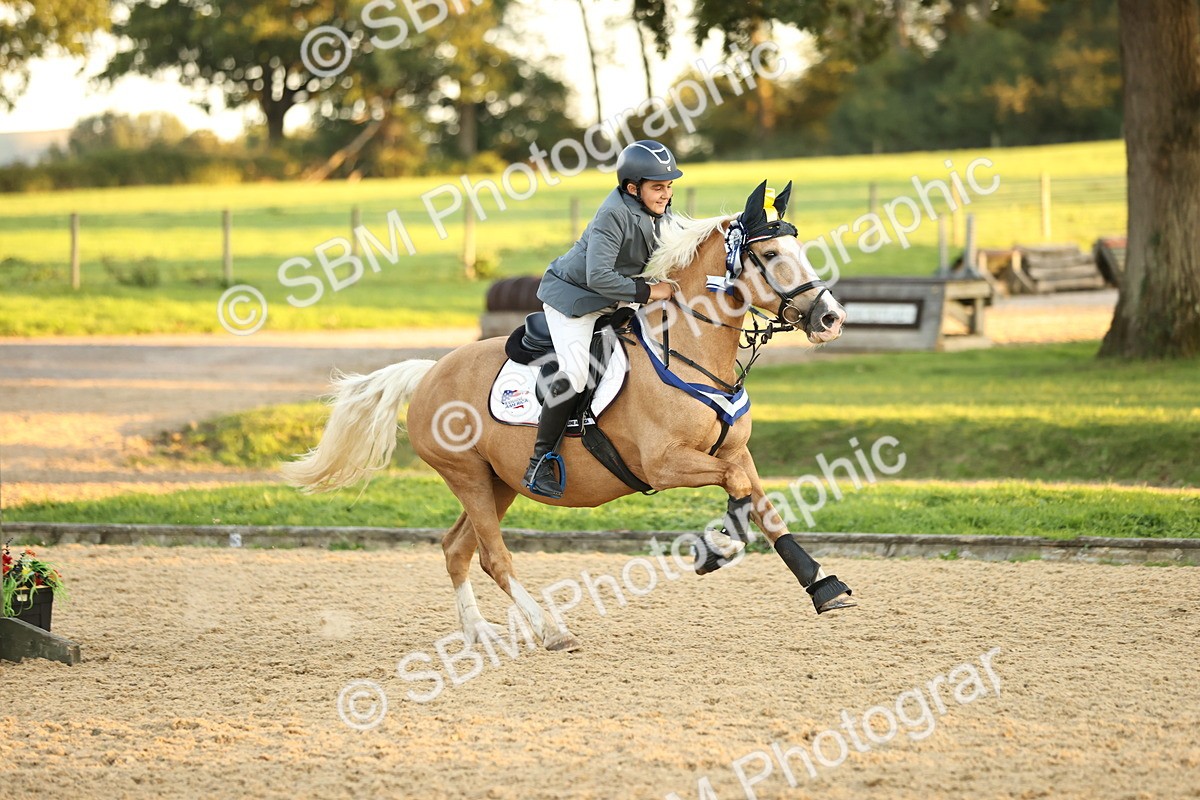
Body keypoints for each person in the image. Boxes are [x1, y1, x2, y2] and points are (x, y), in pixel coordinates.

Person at [523, 139, 682, 498]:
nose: (666, 194)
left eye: (669, 186)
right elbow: (598, 277)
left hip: (616, 300)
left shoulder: (662, 211)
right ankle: (540, 459)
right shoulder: (614, 213)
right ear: (632, 188)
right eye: (658, 187)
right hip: (576, 300)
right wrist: (649, 292)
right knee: (577, 373)